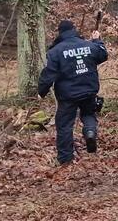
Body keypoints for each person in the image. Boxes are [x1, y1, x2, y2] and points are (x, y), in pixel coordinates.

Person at [38, 20, 108, 165]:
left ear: (60, 32)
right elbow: (102, 55)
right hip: (89, 90)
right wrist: (97, 40)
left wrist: (41, 92)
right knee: (88, 114)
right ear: (74, 30)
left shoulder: (55, 52)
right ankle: (90, 132)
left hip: (67, 95)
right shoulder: (89, 45)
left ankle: (65, 159)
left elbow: (49, 74)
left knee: (64, 125)